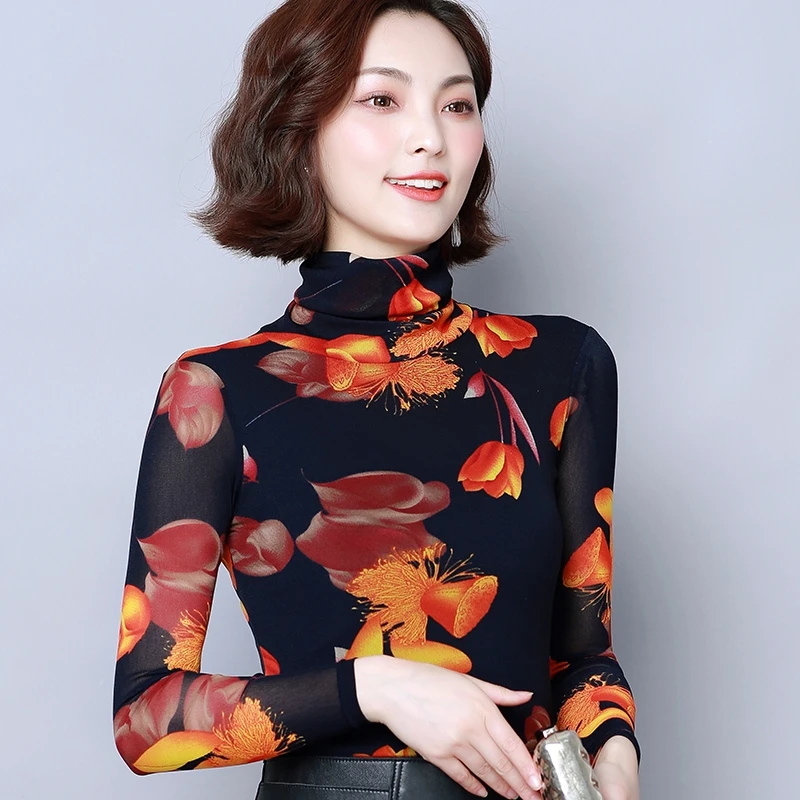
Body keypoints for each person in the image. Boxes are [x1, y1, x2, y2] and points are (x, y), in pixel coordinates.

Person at [112, 1, 641, 798]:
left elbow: (582, 657)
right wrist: (375, 688)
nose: (430, 136)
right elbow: (145, 718)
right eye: (382, 99)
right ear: (299, 126)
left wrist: (616, 750)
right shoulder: (219, 391)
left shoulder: (560, 366)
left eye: (457, 104)